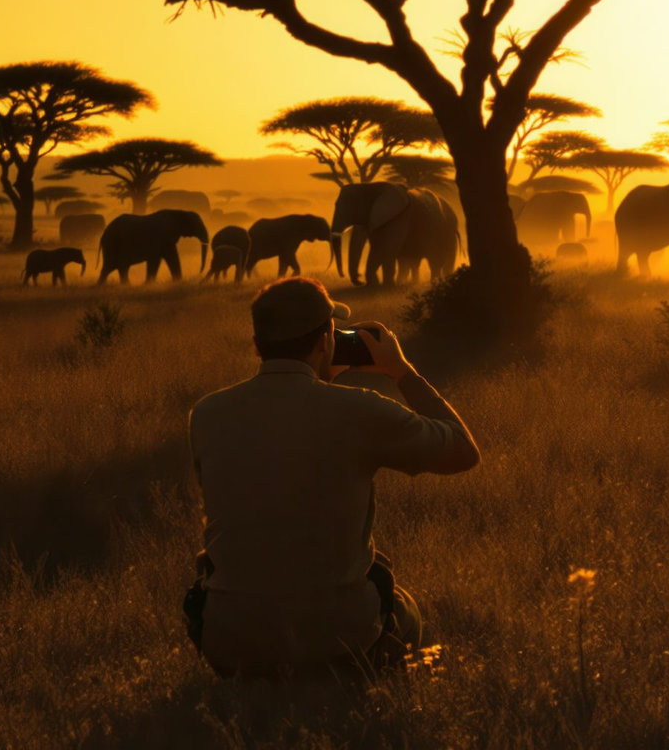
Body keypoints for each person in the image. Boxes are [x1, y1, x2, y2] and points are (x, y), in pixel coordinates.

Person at [184, 276, 480, 679]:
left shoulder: (207, 413)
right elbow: (462, 451)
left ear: (257, 344)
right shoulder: (358, 410)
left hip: (230, 644)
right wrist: (401, 370)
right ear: (326, 340)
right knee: (405, 607)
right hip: (340, 642)